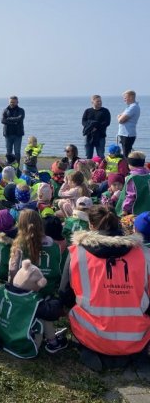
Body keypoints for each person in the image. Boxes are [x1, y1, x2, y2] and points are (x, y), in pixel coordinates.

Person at [59, 205, 150, 371]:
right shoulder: (144, 255)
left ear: (91, 226)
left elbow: (64, 295)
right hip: (137, 336)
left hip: (91, 335)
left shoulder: (77, 253)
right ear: (119, 224)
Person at [116, 151, 150, 216]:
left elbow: (130, 197)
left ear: (130, 165)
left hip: (136, 211)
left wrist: (125, 209)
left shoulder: (133, 178)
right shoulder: (148, 175)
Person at [81, 95, 111, 159]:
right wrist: (91, 127)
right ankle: (89, 168)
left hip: (100, 136)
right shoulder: (87, 111)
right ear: (92, 102)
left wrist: (96, 127)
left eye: (100, 101)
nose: (100, 103)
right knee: (88, 155)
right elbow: (83, 122)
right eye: (97, 101)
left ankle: (101, 168)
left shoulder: (105, 111)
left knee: (100, 155)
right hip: (89, 136)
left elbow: (107, 123)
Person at [1, 96, 25, 166]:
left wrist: (8, 119)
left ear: (17, 102)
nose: (12, 103)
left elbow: (19, 118)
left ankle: (16, 166)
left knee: (17, 152)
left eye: (14, 102)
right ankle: (9, 166)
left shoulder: (21, 110)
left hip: (18, 134)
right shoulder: (5, 110)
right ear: (9, 102)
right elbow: (2, 120)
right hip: (8, 134)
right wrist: (14, 122)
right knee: (9, 152)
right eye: (11, 102)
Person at [117, 90, 140, 157]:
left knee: (126, 154)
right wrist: (120, 117)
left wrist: (119, 117)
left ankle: (126, 167)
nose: (124, 100)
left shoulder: (133, 107)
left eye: (125, 98)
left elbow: (121, 120)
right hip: (126, 133)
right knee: (126, 152)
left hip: (127, 134)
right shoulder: (130, 107)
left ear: (131, 97)